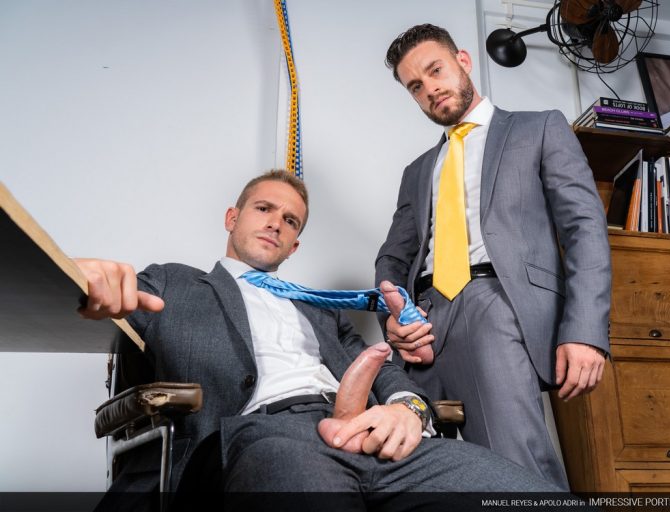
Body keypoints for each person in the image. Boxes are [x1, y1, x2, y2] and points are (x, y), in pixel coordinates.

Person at [75, 170, 562, 509]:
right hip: (261, 435)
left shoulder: (320, 309)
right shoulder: (173, 282)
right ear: (232, 218)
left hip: (366, 435)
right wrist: (83, 278)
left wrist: (407, 410)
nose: (276, 222)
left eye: (290, 221)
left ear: (295, 245)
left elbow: (383, 370)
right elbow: (99, 296)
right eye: (264, 209)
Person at [375, 24, 611, 490]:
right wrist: (395, 316)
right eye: (415, 87)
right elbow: (392, 258)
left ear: (463, 61)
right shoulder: (416, 171)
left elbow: (584, 228)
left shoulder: (538, 128)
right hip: (423, 321)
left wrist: (586, 331)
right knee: (404, 472)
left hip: (495, 304)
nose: (429, 89)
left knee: (513, 467)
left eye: (435, 71)